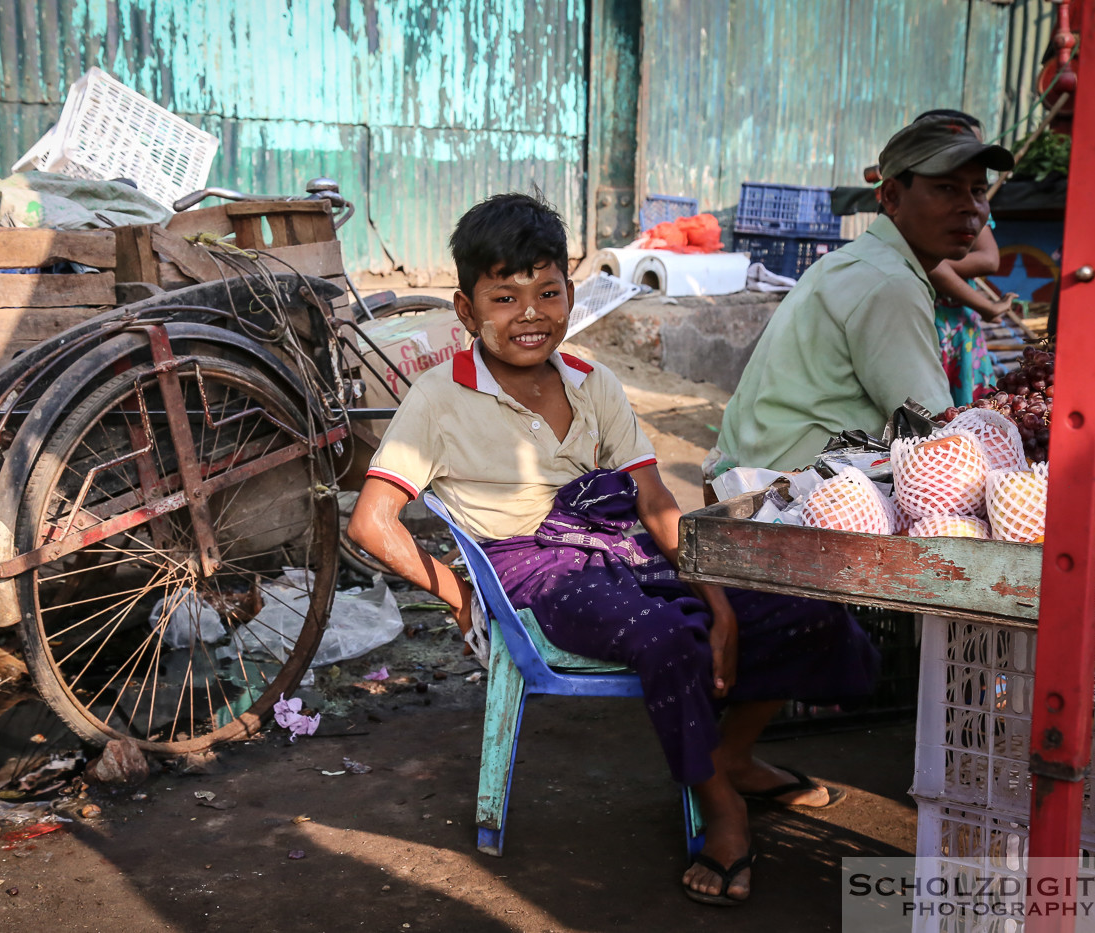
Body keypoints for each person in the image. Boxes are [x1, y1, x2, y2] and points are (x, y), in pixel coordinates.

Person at [347, 193, 879, 907]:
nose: (529, 313)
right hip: (532, 567)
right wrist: (462, 594)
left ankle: (735, 753)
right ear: (466, 310)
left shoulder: (592, 381)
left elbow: (655, 500)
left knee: (804, 602)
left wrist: (715, 595)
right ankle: (720, 802)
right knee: (664, 636)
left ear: (572, 292)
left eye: (547, 291)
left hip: (623, 548)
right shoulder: (438, 399)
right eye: (504, 297)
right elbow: (372, 522)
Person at [711, 116, 1015, 475]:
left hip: (753, 464)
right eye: (947, 188)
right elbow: (935, 435)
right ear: (891, 197)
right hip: (795, 488)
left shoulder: (859, 260)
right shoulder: (891, 284)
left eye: (978, 191)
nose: (970, 206)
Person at [917, 110, 1016, 405]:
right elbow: (929, 266)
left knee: (967, 420)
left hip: (961, 329)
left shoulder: (972, 201)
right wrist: (985, 306)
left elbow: (989, 258)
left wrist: (935, 263)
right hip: (924, 323)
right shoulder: (915, 199)